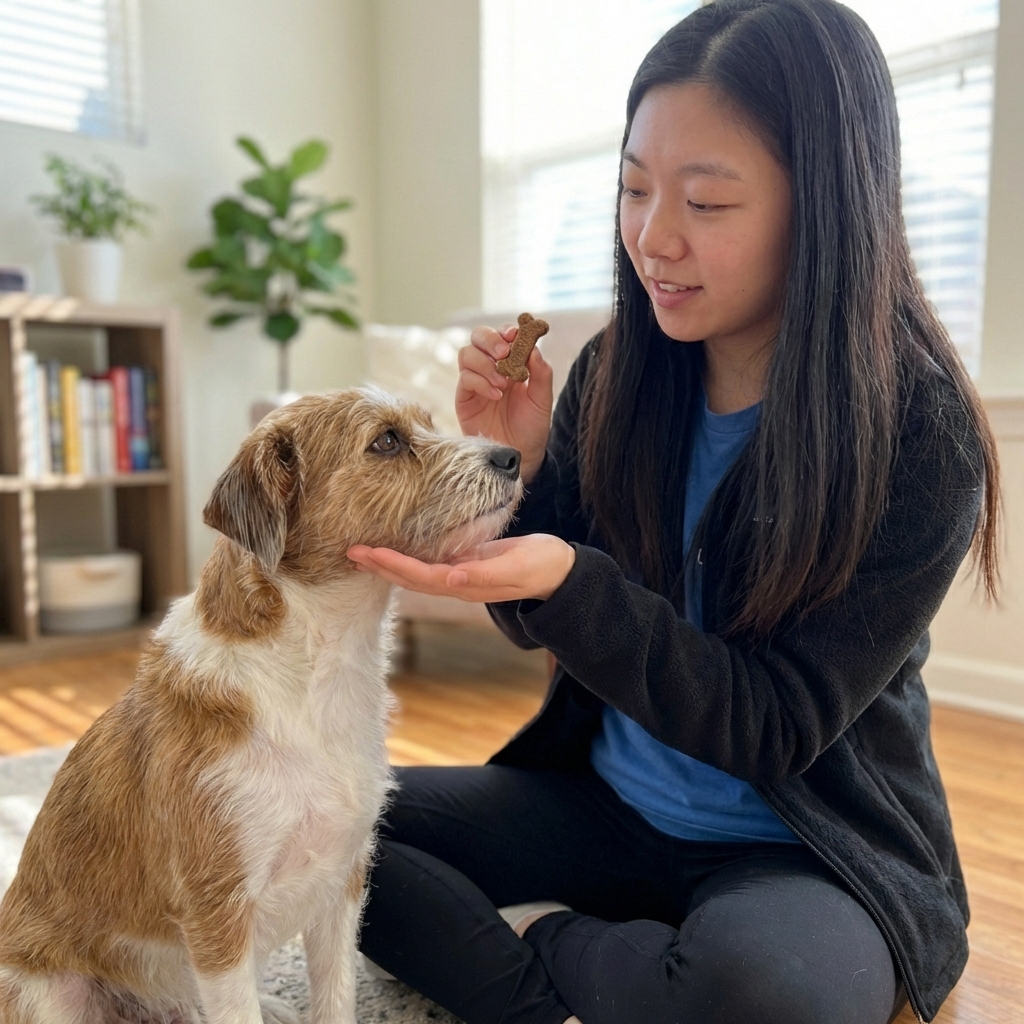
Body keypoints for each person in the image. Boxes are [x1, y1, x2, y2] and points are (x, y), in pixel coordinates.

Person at [346, 1, 1000, 1021]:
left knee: (769, 993)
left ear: (823, 204)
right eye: (634, 188)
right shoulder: (616, 372)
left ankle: (543, 940)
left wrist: (575, 579)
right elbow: (528, 614)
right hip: (602, 806)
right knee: (332, 828)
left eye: (707, 203)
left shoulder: (922, 436)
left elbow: (772, 726)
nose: (654, 238)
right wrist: (516, 470)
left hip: (798, 846)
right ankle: (578, 987)